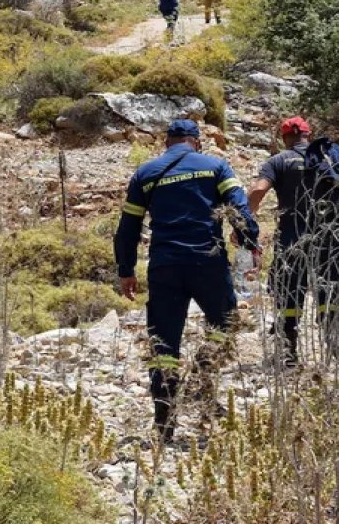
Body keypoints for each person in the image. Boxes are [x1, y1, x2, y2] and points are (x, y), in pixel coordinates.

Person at [114, 119, 260, 442]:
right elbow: (239, 209)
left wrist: (126, 270)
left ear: (167, 142)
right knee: (227, 324)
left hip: (164, 266)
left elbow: (128, 227)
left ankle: (165, 426)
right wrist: (250, 241)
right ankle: (204, 373)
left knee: (164, 346)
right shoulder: (215, 166)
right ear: (196, 141)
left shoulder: (146, 174)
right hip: (207, 262)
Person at [247, 117, 339, 367]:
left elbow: (258, 191)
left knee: (289, 293)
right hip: (331, 237)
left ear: (284, 138)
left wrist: (245, 223)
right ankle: (336, 345)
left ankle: (288, 351)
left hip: (292, 237)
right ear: (309, 134)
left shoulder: (279, 161)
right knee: (331, 289)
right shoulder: (331, 159)